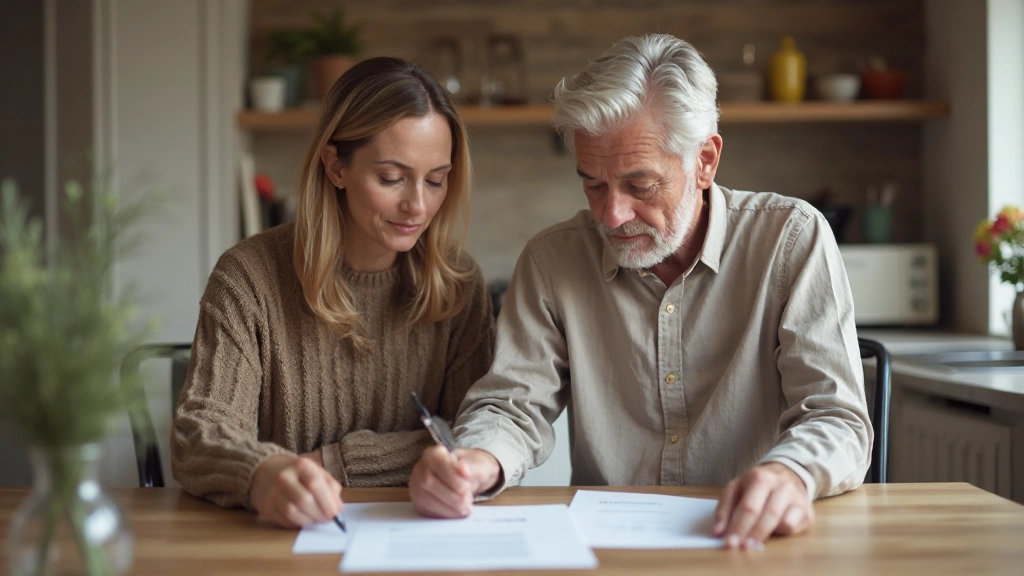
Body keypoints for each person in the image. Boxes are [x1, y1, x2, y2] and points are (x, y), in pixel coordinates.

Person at [408, 34, 872, 550]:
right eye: (593, 185)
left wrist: (791, 474)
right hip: (610, 550)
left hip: (758, 542)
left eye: (641, 185)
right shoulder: (552, 260)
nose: (612, 215)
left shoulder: (790, 239)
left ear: (705, 161)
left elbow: (835, 416)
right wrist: (476, 462)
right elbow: (512, 407)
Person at [171, 57, 495, 528]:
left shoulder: (458, 285)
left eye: (436, 179)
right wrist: (261, 472)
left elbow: (473, 439)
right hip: (281, 543)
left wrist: (333, 462)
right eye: (391, 178)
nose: (418, 205)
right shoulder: (248, 278)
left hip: (418, 536)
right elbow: (197, 434)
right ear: (335, 166)